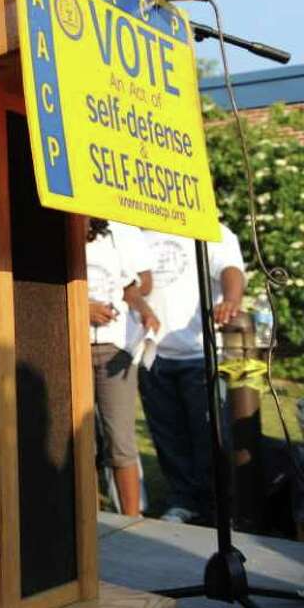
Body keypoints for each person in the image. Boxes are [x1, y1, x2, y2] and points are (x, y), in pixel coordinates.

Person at [139, 223, 245, 524]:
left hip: (201, 352)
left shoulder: (211, 230)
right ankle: (183, 501)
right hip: (154, 352)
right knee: (168, 435)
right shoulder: (140, 232)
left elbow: (231, 270)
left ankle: (218, 507)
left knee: (209, 436)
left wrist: (231, 299)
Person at [85, 218, 158, 517]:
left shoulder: (113, 237)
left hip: (114, 350)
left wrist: (145, 310)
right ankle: (87, 519)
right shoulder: (57, 232)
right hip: (72, 347)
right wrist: (83, 307)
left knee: (121, 441)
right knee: (81, 443)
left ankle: (132, 520)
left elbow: (131, 288)